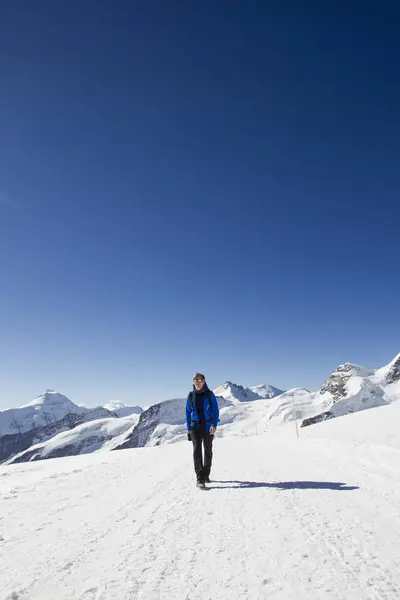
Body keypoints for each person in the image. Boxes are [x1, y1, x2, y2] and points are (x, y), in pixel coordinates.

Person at [186, 372, 219, 488]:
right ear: (193, 382)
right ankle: (199, 478)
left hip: (208, 426)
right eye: (195, 380)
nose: (198, 383)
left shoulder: (210, 395)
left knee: (208, 450)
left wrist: (214, 425)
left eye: (200, 380)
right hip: (195, 427)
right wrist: (189, 429)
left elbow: (215, 411)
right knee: (197, 450)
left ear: (204, 381)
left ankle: (206, 474)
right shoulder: (190, 396)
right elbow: (187, 412)